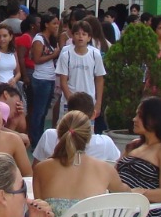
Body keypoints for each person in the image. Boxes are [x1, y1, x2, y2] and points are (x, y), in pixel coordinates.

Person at [31, 109, 127, 217]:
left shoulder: (42, 168)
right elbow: (126, 195)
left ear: (59, 134)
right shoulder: (105, 169)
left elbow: (41, 210)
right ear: (89, 137)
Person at [32, 91, 120, 163]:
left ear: (68, 113)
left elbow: (35, 171)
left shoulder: (49, 136)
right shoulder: (105, 143)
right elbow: (118, 170)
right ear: (93, 114)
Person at [55, 19, 105, 124]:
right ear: (72, 36)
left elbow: (99, 79)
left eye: (84, 34)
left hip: (89, 101)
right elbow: (63, 81)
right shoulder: (66, 55)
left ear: (89, 37)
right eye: (77, 34)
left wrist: (98, 103)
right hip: (69, 101)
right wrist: (71, 100)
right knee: (67, 131)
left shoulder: (95, 55)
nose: (80, 36)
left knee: (87, 133)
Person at [29, 13, 62, 147]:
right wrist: (54, 54)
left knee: (43, 111)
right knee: (39, 111)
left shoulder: (52, 39)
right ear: (46, 24)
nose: (56, 26)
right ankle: (36, 141)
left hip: (50, 77)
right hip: (41, 79)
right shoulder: (39, 39)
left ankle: (40, 139)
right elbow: (37, 60)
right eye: (54, 23)